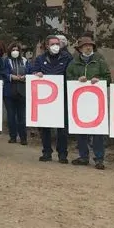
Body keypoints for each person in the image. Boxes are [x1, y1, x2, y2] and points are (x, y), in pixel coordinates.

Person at [65, 35, 112, 169]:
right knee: (81, 129)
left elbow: (108, 78)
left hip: (96, 101)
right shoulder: (73, 63)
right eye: (85, 46)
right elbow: (68, 78)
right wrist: (77, 79)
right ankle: (83, 156)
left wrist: (99, 79)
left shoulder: (100, 61)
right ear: (79, 49)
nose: (88, 47)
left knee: (97, 131)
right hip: (80, 101)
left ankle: (99, 158)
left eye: (90, 46)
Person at [31, 34, 72, 163]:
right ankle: (47, 152)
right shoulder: (40, 59)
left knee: (62, 127)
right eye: (52, 44)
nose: (55, 46)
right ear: (47, 46)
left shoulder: (67, 58)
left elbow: (71, 74)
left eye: (57, 44)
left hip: (62, 96)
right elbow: (33, 71)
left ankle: (62, 154)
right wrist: (36, 74)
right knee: (45, 126)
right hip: (45, 98)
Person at [3, 42, 30, 145]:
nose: (15, 52)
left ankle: (23, 137)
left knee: (22, 117)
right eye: (13, 50)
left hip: (22, 91)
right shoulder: (6, 61)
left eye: (17, 50)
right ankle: (13, 136)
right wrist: (11, 76)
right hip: (9, 92)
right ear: (10, 51)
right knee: (11, 116)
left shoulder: (25, 60)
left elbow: (30, 71)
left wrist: (25, 77)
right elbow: (3, 72)